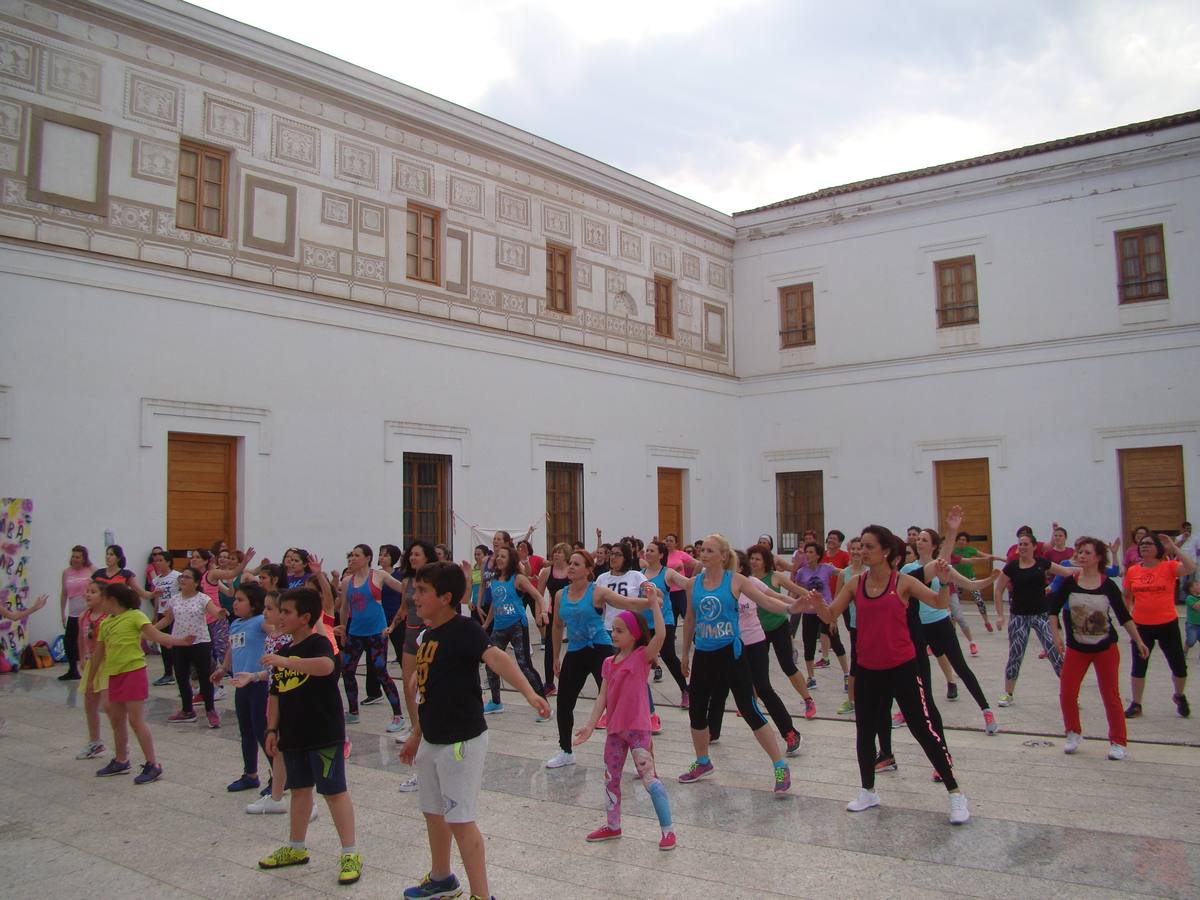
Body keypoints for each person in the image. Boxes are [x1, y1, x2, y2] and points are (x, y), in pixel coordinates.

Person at [398, 562, 551, 900]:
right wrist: (415, 735)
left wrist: (529, 693)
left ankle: (482, 896)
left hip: (461, 742)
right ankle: (442, 878)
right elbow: (429, 693)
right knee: (434, 812)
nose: (415, 597)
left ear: (446, 597)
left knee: (460, 819)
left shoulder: (464, 630)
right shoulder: (428, 635)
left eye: (423, 591)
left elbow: (498, 659)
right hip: (432, 739)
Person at [815, 524, 970, 825]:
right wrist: (816, 604)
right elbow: (830, 615)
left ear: (886, 551)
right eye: (860, 546)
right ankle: (868, 790)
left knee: (922, 729)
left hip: (902, 668)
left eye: (869, 546)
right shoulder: (854, 583)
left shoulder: (903, 583)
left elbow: (939, 603)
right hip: (869, 670)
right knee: (864, 732)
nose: (862, 551)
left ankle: (955, 793)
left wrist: (946, 582)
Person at [679, 534, 814, 794]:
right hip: (704, 654)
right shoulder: (694, 583)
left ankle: (779, 764)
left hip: (731, 652)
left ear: (722, 555)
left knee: (749, 707)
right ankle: (703, 761)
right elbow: (690, 618)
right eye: (702, 550)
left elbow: (766, 600)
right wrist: (685, 654)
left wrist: (791, 607)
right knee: (697, 710)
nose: (703, 554)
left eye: (709, 551)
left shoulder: (736, 581)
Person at [258, 588, 362, 885]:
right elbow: (276, 696)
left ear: (304, 618)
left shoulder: (319, 643)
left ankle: (350, 852)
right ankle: (296, 848)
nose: (280, 616)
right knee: (300, 790)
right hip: (293, 735)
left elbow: (326, 667)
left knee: (333, 791)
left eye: (286, 612)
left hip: (323, 734)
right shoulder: (284, 651)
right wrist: (271, 729)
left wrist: (287, 661)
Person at [573, 586, 676, 850]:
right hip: (614, 731)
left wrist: (654, 604)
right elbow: (602, 697)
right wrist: (590, 724)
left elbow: (661, 634)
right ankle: (613, 825)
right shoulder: (609, 663)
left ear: (635, 635)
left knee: (649, 779)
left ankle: (667, 831)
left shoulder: (643, 657)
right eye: (614, 630)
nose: (614, 634)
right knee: (611, 779)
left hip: (639, 730)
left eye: (620, 631)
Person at [545, 550, 648, 770]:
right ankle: (566, 750)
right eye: (570, 562)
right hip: (575, 650)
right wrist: (555, 656)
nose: (571, 567)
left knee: (616, 701)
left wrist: (652, 601)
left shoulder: (597, 592)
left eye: (576, 564)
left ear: (588, 570)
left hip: (600, 649)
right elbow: (556, 626)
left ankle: (639, 751)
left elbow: (627, 603)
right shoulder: (560, 595)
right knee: (564, 703)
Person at [1049, 537, 1149, 759]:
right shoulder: (1070, 582)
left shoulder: (1107, 586)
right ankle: (1073, 732)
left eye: (1086, 552)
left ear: (1098, 558)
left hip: (1105, 648)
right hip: (1077, 648)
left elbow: (1124, 617)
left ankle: (1118, 741)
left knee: (1110, 695)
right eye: (1079, 552)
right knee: (1067, 692)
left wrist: (1139, 641)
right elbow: (1053, 610)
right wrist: (1057, 637)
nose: (1081, 556)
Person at [87, 583, 194, 783]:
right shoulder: (105, 624)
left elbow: (156, 635)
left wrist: (181, 641)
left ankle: (152, 764)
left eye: (103, 599)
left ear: (112, 600)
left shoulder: (136, 616)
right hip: (114, 674)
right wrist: (91, 678)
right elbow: (98, 654)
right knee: (116, 720)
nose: (101, 603)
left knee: (135, 720)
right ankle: (121, 760)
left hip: (133, 672)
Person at [336, 544, 408, 733]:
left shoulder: (379, 576)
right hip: (355, 633)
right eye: (351, 555)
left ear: (367, 558)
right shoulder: (347, 581)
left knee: (380, 671)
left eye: (357, 555)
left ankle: (398, 715)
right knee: (348, 670)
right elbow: (344, 608)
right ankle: (353, 712)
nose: (352, 559)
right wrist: (343, 630)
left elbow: (403, 589)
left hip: (377, 633)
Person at [1123, 532, 1195, 719]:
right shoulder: (1133, 571)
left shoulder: (1169, 567)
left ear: (1158, 548)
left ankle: (1179, 695)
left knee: (1178, 665)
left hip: (1167, 624)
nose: (1144, 546)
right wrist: (1126, 618)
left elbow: (1190, 566)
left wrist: (1175, 547)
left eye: (1149, 543)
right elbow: (1127, 595)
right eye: (1142, 543)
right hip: (1141, 625)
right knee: (1139, 666)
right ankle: (1136, 703)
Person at [992, 533, 1069, 707]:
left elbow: (1066, 572)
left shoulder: (1042, 563)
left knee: (1054, 651)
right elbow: (998, 590)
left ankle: (1069, 692)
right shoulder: (1012, 567)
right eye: (1020, 544)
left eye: (1026, 544)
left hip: (1041, 615)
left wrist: (1087, 570)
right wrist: (1000, 615)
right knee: (1015, 655)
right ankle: (1008, 693)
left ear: (1034, 547)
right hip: (1019, 617)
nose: (1022, 547)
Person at [746, 542, 816, 717]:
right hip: (758, 631)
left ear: (766, 561)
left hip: (778, 626)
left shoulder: (775, 576)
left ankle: (808, 700)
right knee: (755, 668)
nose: (754, 562)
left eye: (758, 559)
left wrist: (813, 600)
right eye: (752, 558)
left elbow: (796, 589)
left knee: (787, 665)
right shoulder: (745, 580)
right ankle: (751, 704)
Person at [212, 582, 270, 791]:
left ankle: (279, 776)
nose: (235, 603)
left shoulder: (260, 621)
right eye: (235, 599)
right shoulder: (236, 623)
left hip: (259, 684)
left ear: (254, 604)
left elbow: (277, 633)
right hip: (241, 685)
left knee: (262, 731)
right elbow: (231, 647)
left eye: (240, 600)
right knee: (246, 731)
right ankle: (250, 774)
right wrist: (223, 668)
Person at [479, 544, 548, 717]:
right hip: (499, 628)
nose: (499, 559)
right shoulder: (494, 580)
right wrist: (487, 624)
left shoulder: (518, 579)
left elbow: (538, 595)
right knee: (490, 664)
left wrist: (543, 612)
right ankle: (495, 702)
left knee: (524, 665)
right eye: (498, 556)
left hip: (517, 625)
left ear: (511, 560)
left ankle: (543, 705)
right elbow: (495, 603)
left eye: (503, 556)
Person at [155, 568, 225, 727]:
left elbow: (215, 611)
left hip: (200, 642)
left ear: (196, 582)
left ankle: (210, 710)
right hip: (179, 642)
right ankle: (187, 710)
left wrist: (221, 613)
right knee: (181, 675)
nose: (183, 580)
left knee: (204, 676)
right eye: (182, 577)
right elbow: (167, 620)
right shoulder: (174, 599)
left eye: (187, 577)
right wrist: (151, 630)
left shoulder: (202, 598)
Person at [641, 540, 693, 708]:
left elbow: (687, 584)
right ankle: (639, 697)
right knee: (639, 658)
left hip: (664, 621)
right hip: (643, 622)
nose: (647, 553)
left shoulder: (667, 573)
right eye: (647, 550)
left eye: (652, 550)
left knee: (668, 655)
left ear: (661, 555)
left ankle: (686, 690)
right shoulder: (639, 574)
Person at [792, 542, 850, 687]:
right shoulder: (801, 572)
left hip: (826, 611)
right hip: (809, 612)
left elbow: (843, 572)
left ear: (818, 555)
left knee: (835, 642)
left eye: (811, 552)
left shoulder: (826, 568)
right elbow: (797, 590)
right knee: (809, 643)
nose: (808, 555)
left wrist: (856, 569)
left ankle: (846, 674)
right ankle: (811, 677)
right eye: (806, 552)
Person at [75, 582, 108, 760]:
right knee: (90, 704)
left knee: (110, 706)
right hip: (90, 663)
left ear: (103, 597)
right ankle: (95, 742)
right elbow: (81, 638)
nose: (88, 595)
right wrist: (82, 657)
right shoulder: (83, 617)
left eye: (93, 592)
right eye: (87, 591)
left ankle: (122, 744)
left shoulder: (108, 617)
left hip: (106, 665)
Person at [536, 543, 572, 695]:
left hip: (572, 612)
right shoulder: (546, 571)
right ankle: (549, 684)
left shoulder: (572, 570)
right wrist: (539, 613)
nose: (556, 555)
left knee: (575, 649)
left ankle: (571, 682)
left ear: (567, 555)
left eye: (560, 552)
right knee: (550, 649)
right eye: (554, 552)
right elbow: (538, 594)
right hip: (553, 613)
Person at [59, 545, 95, 680]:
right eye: (73, 556)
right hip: (73, 613)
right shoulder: (67, 572)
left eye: (78, 557)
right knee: (69, 641)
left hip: (88, 612)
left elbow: (99, 588)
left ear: (84, 558)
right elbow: (64, 593)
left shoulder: (91, 570)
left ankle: (90, 668)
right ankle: (73, 669)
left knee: (88, 640)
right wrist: (62, 613)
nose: (75, 559)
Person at [147, 549, 181, 685]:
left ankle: (181, 671)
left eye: (161, 560)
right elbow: (156, 599)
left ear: (168, 562)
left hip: (175, 614)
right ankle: (168, 673)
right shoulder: (156, 580)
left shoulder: (177, 576)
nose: (158, 563)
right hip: (162, 613)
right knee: (164, 644)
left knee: (175, 643)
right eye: (156, 561)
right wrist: (155, 615)